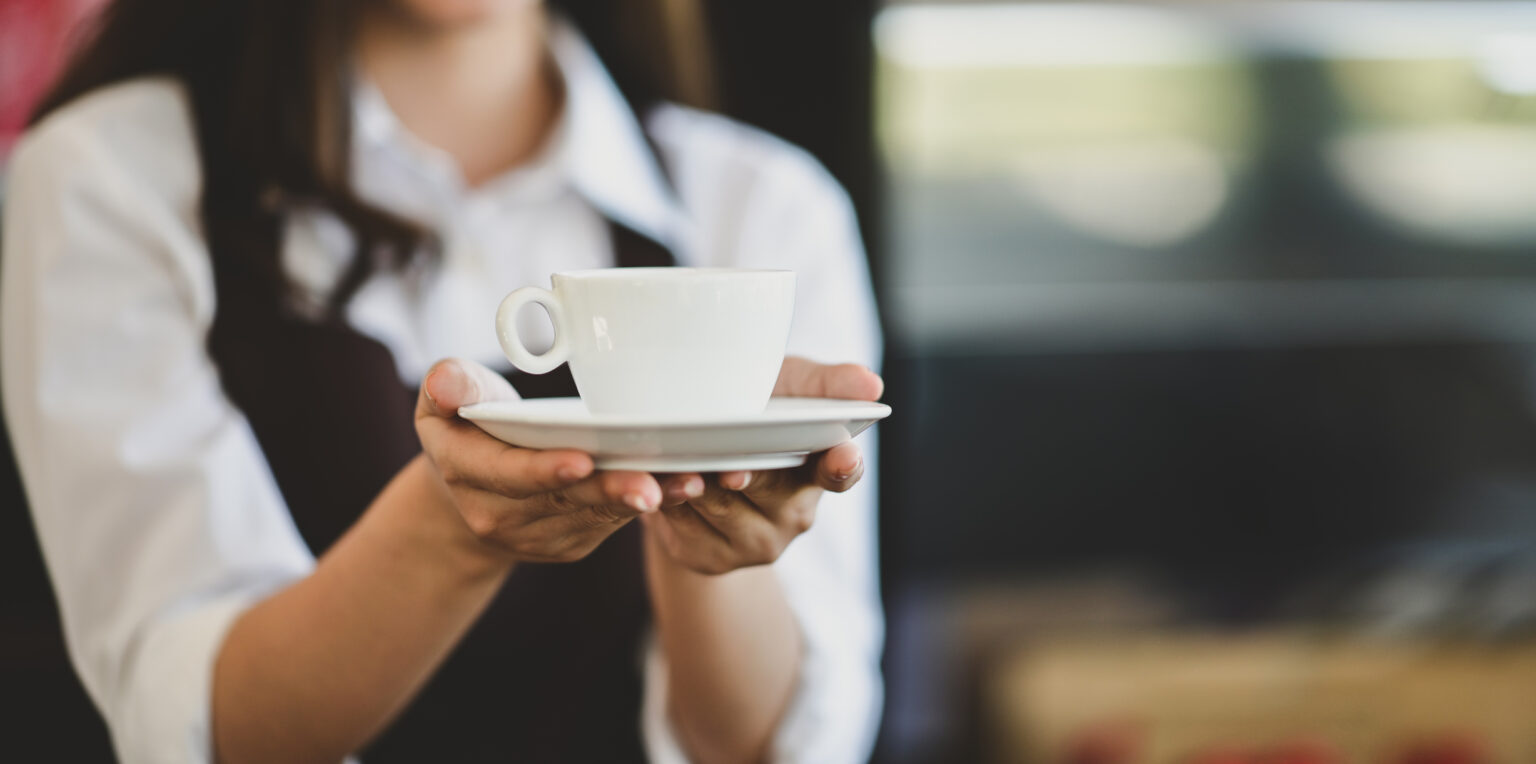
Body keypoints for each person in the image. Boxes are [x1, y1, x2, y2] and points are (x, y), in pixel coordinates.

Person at [0, 1, 884, 762]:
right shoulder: (107, 178)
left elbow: (768, 745)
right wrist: (455, 529)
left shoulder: (765, 206)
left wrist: (711, 509)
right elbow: (201, 728)